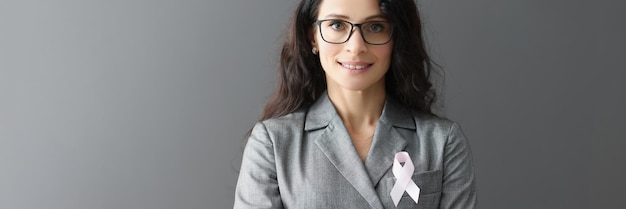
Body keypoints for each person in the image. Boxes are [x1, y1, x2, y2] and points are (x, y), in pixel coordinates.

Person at [233, 0, 477, 208]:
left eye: (375, 27)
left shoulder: (442, 141)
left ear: (395, 38)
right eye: (337, 25)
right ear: (313, 37)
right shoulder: (273, 143)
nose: (356, 46)